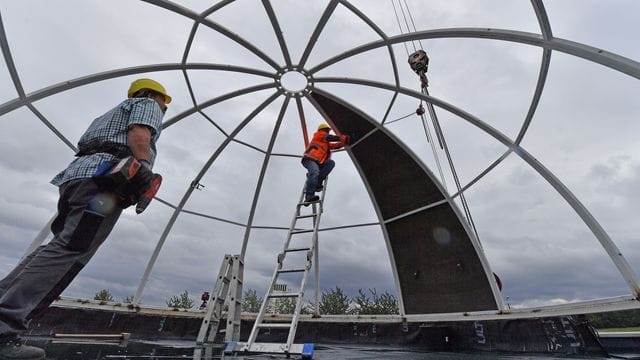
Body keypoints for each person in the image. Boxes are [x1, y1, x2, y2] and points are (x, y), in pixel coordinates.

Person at [0, 78, 171, 359]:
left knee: (58, 247)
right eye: (164, 101)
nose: (164, 107)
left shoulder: (105, 116)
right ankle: (5, 327)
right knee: (71, 250)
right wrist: (143, 173)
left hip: (77, 180)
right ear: (154, 95)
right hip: (102, 188)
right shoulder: (145, 104)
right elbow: (140, 134)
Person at [301, 123, 348, 205]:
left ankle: (317, 183)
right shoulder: (319, 135)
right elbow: (330, 138)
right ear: (323, 130)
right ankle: (309, 196)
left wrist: (346, 142)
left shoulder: (325, 143)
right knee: (314, 172)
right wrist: (342, 138)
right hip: (310, 159)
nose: (328, 132)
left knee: (330, 163)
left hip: (319, 161)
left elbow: (336, 145)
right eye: (327, 130)